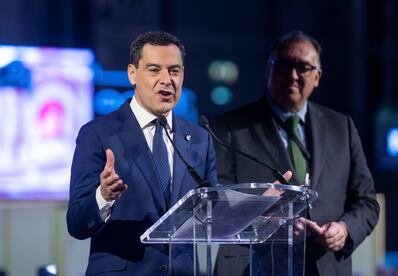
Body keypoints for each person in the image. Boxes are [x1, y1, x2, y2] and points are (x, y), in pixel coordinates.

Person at [211, 31, 379, 275]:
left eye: (303, 67)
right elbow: (217, 206)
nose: (292, 75)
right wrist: (268, 220)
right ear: (267, 70)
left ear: (317, 76)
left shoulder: (342, 127)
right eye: (284, 65)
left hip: (326, 266)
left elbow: (367, 202)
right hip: (254, 267)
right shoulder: (228, 127)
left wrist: (344, 229)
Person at [67, 31, 217, 275]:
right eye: (154, 70)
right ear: (132, 74)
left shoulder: (200, 138)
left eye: (174, 71)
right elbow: (76, 224)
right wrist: (103, 196)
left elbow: (212, 212)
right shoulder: (97, 134)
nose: (166, 80)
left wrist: (262, 205)